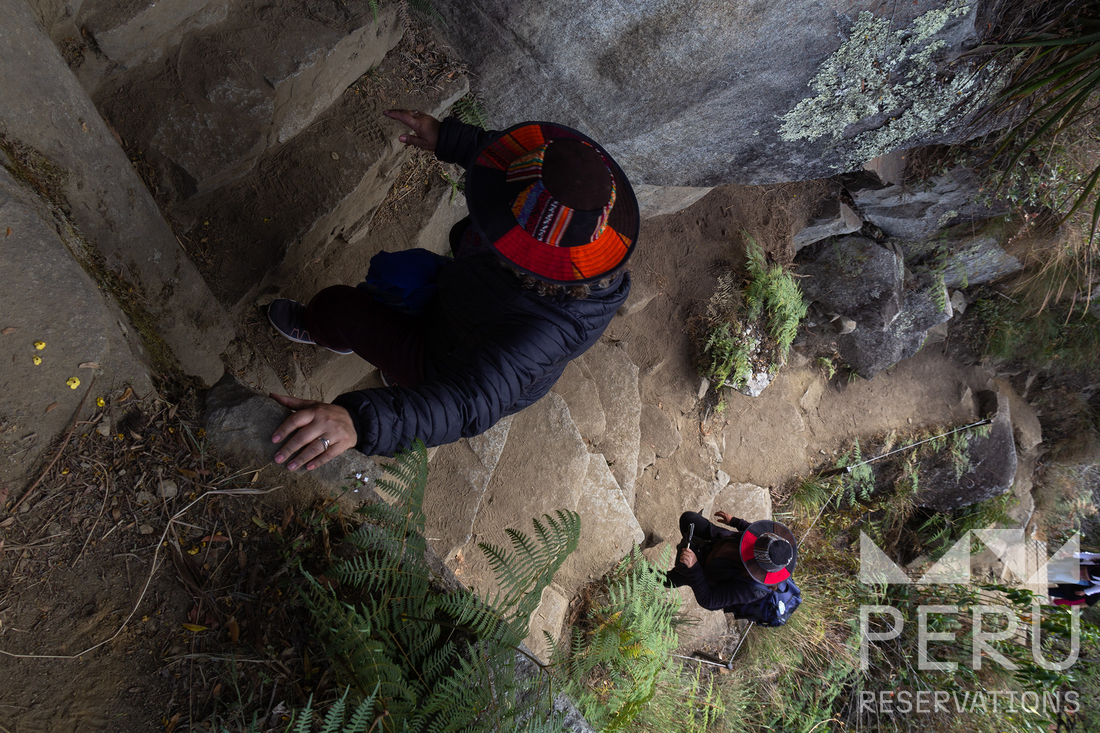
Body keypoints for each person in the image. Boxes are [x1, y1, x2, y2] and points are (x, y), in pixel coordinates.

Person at [265, 110, 639, 471]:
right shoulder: (589, 213)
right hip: (464, 302)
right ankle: (396, 370)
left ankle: (333, 334)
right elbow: (509, 161)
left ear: (533, 249)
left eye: (502, 217)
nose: (490, 207)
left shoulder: (546, 329)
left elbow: (467, 403)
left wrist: (359, 421)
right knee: (396, 275)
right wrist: (451, 140)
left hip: (453, 359)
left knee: (336, 308)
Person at [667, 511, 797, 612]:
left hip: (710, 574)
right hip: (719, 542)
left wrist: (694, 568)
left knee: (674, 576)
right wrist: (735, 522)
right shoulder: (774, 542)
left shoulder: (751, 589)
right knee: (688, 519)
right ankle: (693, 547)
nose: (752, 543)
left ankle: (672, 577)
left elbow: (709, 600)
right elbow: (754, 530)